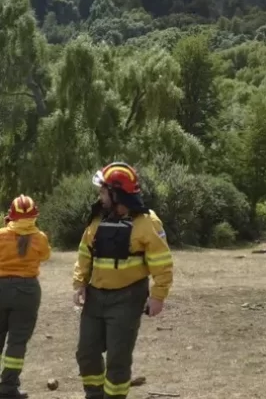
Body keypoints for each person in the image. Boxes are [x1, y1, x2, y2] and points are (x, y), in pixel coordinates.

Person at [73, 162, 173, 399]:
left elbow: (162, 262)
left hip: (128, 298)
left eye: (103, 190)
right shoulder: (97, 218)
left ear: (115, 193)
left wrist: (158, 296)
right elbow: (85, 253)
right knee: (86, 353)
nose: (100, 195)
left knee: (118, 358)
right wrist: (79, 283)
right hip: (95, 297)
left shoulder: (147, 223)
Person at [0, 196, 51, 399]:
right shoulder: (40, 237)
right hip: (27, 291)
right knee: (17, 342)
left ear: (10, 216)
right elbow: (45, 256)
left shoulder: (1, 235)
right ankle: (8, 387)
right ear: (34, 216)